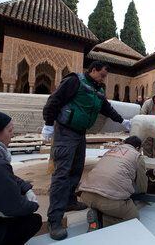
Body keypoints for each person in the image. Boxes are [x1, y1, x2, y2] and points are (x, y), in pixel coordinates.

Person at [42, 61, 131, 240]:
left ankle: (69, 201)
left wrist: (122, 121)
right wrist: (48, 124)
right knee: (62, 174)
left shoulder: (98, 89)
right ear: (93, 70)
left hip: (79, 133)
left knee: (76, 169)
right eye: (102, 75)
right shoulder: (74, 81)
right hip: (65, 131)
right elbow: (54, 100)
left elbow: (107, 108)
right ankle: (55, 220)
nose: (103, 78)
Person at [0, 107, 42, 245]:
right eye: (10, 131)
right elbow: (14, 207)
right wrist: (33, 205)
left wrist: (25, 186)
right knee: (32, 220)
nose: (12, 135)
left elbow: (6, 177)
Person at [78, 136, 147, 230]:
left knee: (106, 203)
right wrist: (142, 194)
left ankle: (98, 212)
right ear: (138, 148)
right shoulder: (137, 156)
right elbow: (142, 185)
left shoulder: (110, 151)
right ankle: (101, 220)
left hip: (86, 195)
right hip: (110, 201)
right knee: (133, 218)